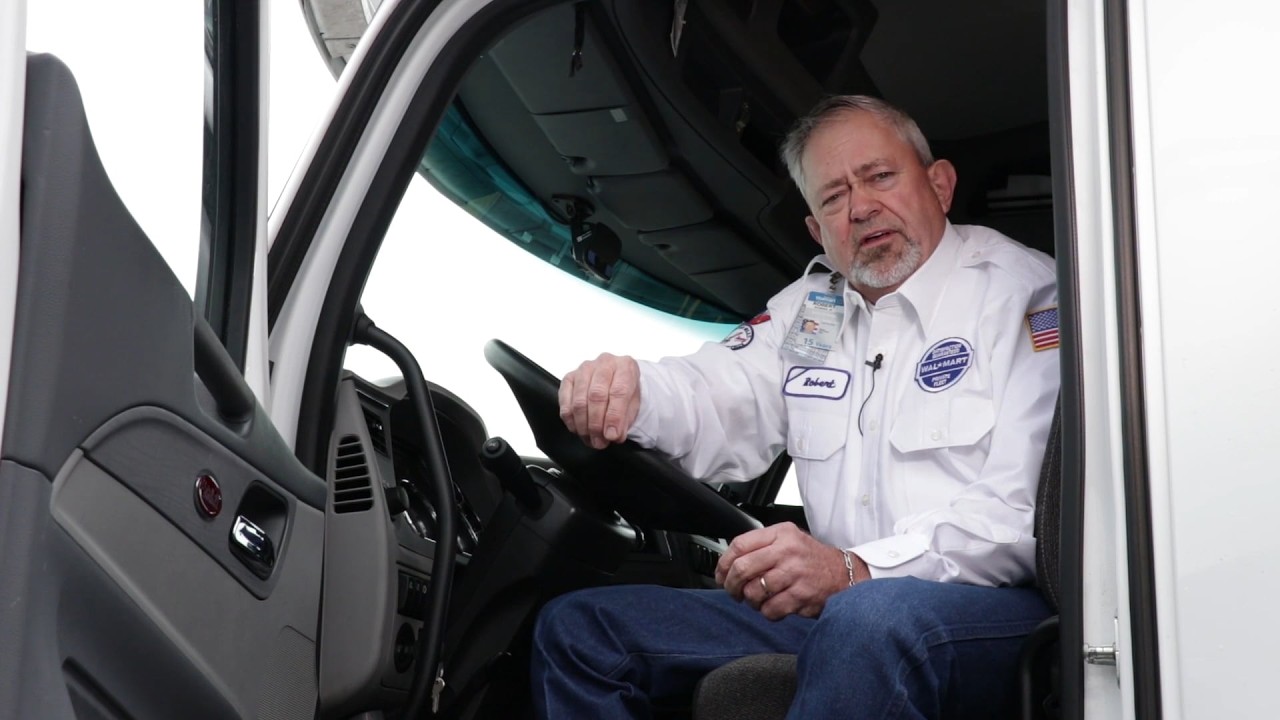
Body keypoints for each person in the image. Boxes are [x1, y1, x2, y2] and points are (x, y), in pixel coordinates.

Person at [530, 95, 1059, 718]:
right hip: (845, 611)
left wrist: (854, 569)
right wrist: (630, 389)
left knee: (870, 618)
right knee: (583, 629)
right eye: (833, 197)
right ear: (816, 229)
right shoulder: (815, 309)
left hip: (992, 612)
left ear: (939, 185)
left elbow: (1018, 513)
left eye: (880, 176)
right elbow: (716, 392)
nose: (861, 208)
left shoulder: (1026, 295)